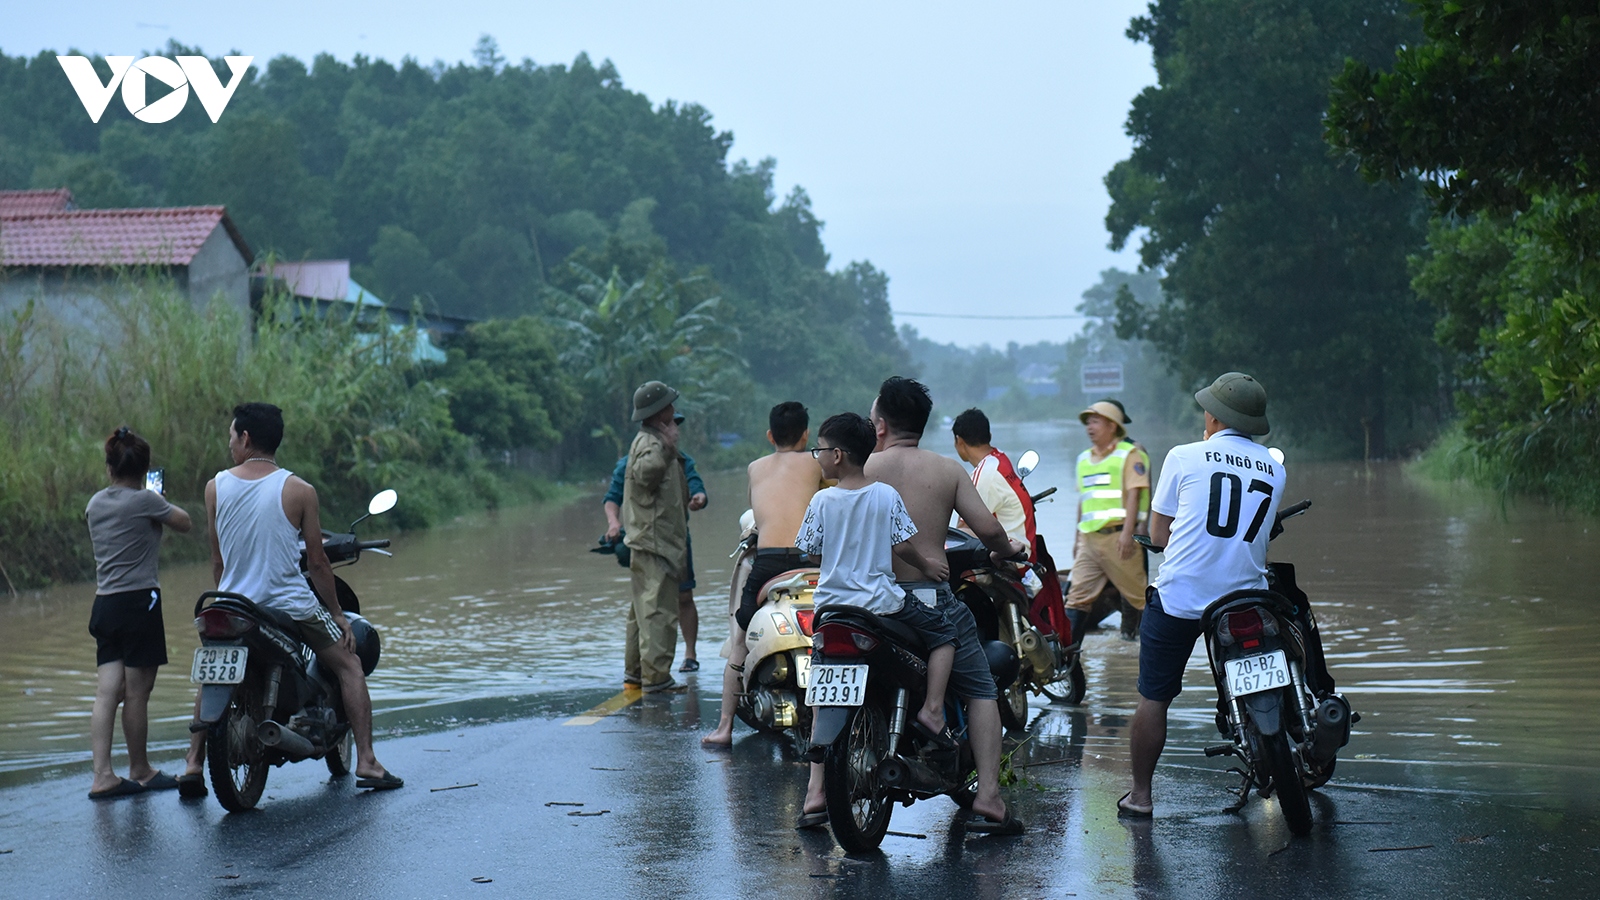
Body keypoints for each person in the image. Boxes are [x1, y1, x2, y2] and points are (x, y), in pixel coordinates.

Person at [807, 376, 1028, 835]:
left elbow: (816, 544)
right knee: (981, 687)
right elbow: (989, 531)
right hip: (922, 598)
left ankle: (815, 791)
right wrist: (1009, 551)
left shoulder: (855, 472)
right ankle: (988, 796)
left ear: (879, 425)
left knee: (828, 679)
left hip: (851, 602)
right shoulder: (946, 470)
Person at [181, 403, 401, 791]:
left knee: (215, 664)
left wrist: (228, 593)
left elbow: (218, 560)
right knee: (349, 664)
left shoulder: (215, 487)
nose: (230, 443)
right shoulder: (300, 491)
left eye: (232, 436)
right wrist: (338, 614)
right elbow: (317, 564)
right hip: (289, 607)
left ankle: (193, 765)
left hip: (233, 605)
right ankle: (367, 761)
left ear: (246, 438)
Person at [1120, 372, 1285, 818]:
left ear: (1212, 416)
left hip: (1180, 601)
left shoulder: (1183, 456)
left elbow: (1159, 534)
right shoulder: (1275, 465)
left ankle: (1141, 796)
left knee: (1155, 697)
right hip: (1246, 600)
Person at [793, 412, 956, 827]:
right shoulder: (885, 495)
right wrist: (931, 566)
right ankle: (934, 710)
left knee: (822, 691)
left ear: (838, 454)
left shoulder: (821, 501)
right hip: (883, 606)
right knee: (945, 636)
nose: (817, 457)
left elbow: (811, 553)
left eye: (820, 450)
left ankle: (815, 794)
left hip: (831, 610)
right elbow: (904, 548)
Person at [701, 401, 828, 746]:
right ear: (806, 435)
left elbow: (756, 512)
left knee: (739, 637)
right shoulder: (818, 462)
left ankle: (725, 727)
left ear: (770, 435)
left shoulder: (755, 468)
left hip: (769, 563)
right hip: (810, 561)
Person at [84, 427, 193, 800]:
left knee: (107, 691)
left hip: (105, 604)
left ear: (110, 467)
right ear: (144, 468)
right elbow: (185, 522)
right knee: (137, 693)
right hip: (139, 603)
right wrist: (156, 497)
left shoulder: (95, 504)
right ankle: (140, 769)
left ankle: (102, 775)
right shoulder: (147, 501)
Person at [603, 413, 708, 672]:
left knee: (683, 596)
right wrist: (613, 523)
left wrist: (698, 497)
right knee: (648, 601)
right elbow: (612, 498)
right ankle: (650, 673)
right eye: (672, 424)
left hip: (676, 540)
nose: (675, 430)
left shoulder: (681, 461)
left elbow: (696, 486)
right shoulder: (632, 464)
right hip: (646, 541)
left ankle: (689, 655)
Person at [620, 381, 691, 693]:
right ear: (659, 412)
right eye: (670, 406)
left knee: (641, 611)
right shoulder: (651, 444)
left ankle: (637, 673)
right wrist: (666, 445)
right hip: (655, 541)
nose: (674, 411)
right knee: (658, 612)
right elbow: (647, 473)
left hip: (649, 539)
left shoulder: (647, 440)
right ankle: (657, 678)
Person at [1065, 400, 1152, 643]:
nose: (1089, 427)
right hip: (1090, 541)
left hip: (1118, 538)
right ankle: (1069, 664)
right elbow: (1084, 501)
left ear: (1112, 426)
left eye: (1095, 421)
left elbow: (1137, 494)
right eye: (1088, 423)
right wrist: (1077, 538)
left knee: (1139, 598)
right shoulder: (1083, 459)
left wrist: (1130, 532)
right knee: (1076, 598)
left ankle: (1153, 648)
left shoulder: (1131, 453)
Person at [951, 407, 1036, 547]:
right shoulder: (1000, 459)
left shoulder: (985, 473)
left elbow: (964, 529)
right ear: (989, 436)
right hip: (1026, 549)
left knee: (956, 538)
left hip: (1013, 558)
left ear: (959, 441)